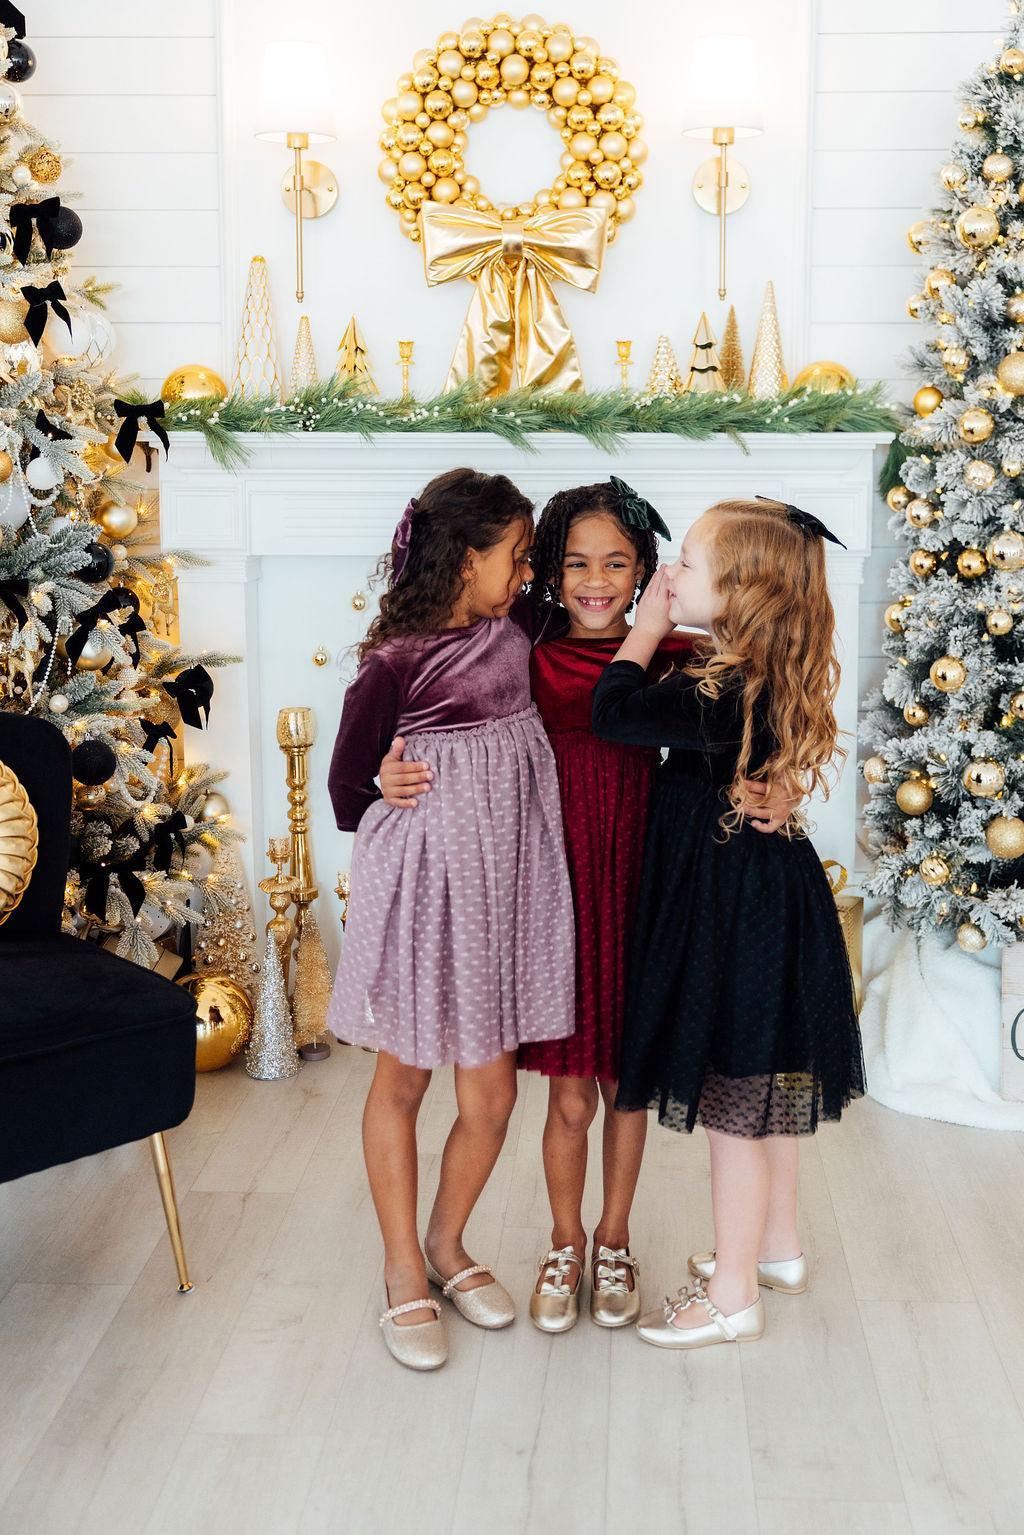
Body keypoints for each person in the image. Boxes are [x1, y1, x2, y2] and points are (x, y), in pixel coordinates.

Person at [379, 479, 798, 1336]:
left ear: (648, 570)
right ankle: (564, 1239)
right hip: (548, 881)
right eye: (575, 563)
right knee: (570, 1094)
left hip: (644, 880)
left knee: (624, 1087)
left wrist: (782, 779)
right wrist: (385, 769)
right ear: (546, 570)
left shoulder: (675, 654)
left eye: (616, 563)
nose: (596, 581)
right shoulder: (520, 647)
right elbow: (434, 709)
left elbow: (758, 707)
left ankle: (615, 1237)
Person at [592, 495, 864, 1350]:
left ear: (740, 593)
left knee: (732, 1106)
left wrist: (644, 628)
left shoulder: (711, 689)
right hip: (769, 893)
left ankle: (734, 1295)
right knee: (767, 1083)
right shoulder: (763, 671)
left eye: (688, 566)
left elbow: (612, 712)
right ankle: (777, 1246)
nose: (670, 575)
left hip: (727, 906)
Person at [326, 467, 575, 1370]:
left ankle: (445, 1239)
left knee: (493, 1096)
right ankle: (402, 1265)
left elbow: (597, 596)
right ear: (466, 559)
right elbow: (346, 793)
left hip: (501, 895)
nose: (527, 572)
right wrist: (382, 783)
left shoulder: (521, 627)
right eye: (516, 555)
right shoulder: (393, 664)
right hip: (425, 896)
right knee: (403, 1081)